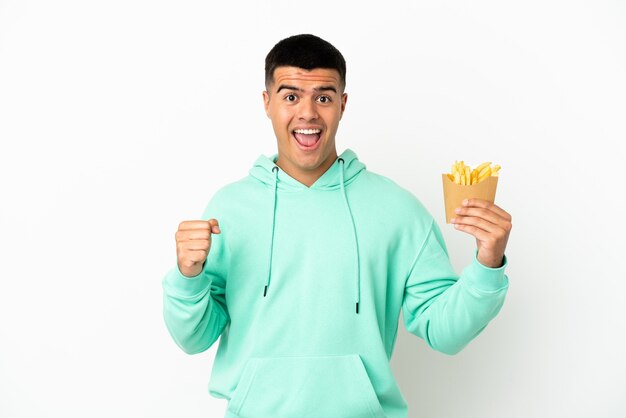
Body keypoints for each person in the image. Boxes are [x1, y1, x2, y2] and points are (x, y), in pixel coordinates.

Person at [162, 34, 512, 418]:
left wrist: (487, 266)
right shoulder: (227, 210)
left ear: (343, 105)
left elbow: (445, 332)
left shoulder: (397, 210)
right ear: (267, 103)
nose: (308, 113)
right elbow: (194, 338)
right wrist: (186, 277)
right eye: (291, 96)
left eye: (324, 98)